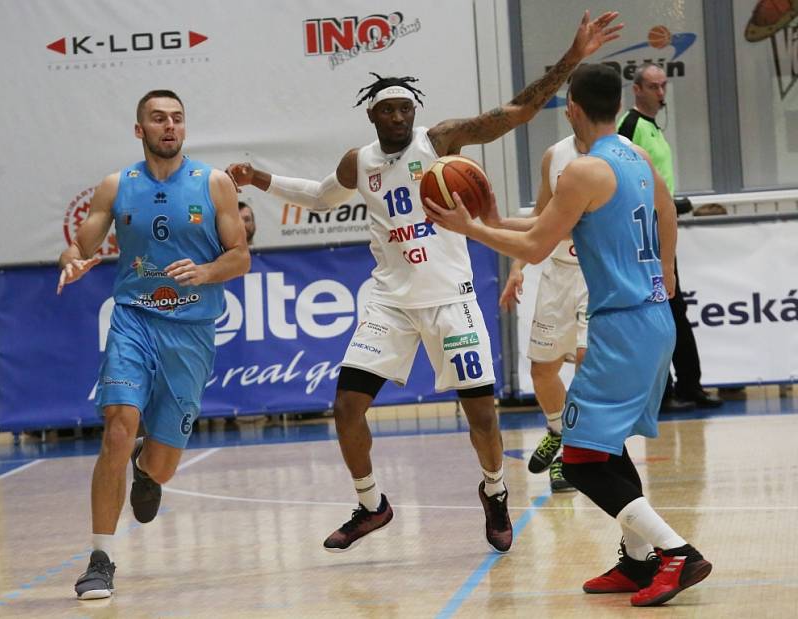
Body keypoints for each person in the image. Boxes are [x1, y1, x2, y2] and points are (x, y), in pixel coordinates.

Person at [227, 11, 622, 554]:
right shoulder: (359, 162)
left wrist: (572, 58)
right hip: (389, 301)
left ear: (414, 112)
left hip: (450, 300)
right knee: (345, 408)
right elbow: (319, 196)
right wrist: (259, 179)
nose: (397, 117)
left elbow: (515, 112)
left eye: (404, 109)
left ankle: (495, 490)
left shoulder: (438, 143)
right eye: (387, 109)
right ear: (372, 113)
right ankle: (371, 505)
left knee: (481, 415)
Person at [423, 64, 711, 607]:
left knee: (579, 459)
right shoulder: (636, 156)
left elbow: (533, 250)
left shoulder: (582, 170)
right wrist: (667, 278)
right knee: (606, 444)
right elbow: (664, 211)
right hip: (653, 317)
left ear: (573, 107)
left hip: (623, 325)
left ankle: (676, 553)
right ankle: (635, 560)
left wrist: (471, 230)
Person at [58, 90, 250, 599]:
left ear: (185, 128)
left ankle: (148, 468)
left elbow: (240, 257)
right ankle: (100, 558)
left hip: (190, 331)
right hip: (134, 320)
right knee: (118, 427)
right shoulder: (116, 186)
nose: (170, 126)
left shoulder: (214, 184)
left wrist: (207, 270)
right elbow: (81, 244)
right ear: (139, 129)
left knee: (161, 464)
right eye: (158, 119)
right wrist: (71, 259)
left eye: (177, 119)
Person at [617, 63, 722, 412]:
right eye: (654, 87)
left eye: (664, 87)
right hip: (644, 234)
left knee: (673, 310)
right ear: (637, 89)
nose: (661, 94)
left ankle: (687, 385)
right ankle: (665, 392)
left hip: (662, 230)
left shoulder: (653, 128)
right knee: (662, 311)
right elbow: (622, 178)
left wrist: (672, 205)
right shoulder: (630, 127)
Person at [499, 134, 590, 494]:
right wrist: (517, 266)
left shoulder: (619, 152)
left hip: (596, 274)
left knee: (587, 361)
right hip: (558, 273)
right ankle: (557, 430)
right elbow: (540, 219)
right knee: (542, 370)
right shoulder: (555, 154)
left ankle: (571, 454)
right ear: (571, 110)